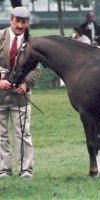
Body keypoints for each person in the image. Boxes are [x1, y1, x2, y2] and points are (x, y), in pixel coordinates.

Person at [0, 6, 41, 179]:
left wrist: (26, 84)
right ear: (11, 20)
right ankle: (4, 170)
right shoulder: (0, 37)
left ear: (27, 23)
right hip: (0, 96)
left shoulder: (32, 43)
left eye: (23, 22)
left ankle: (25, 170)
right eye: (17, 21)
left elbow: (36, 68)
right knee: (1, 135)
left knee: (23, 134)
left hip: (21, 97)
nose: (19, 25)